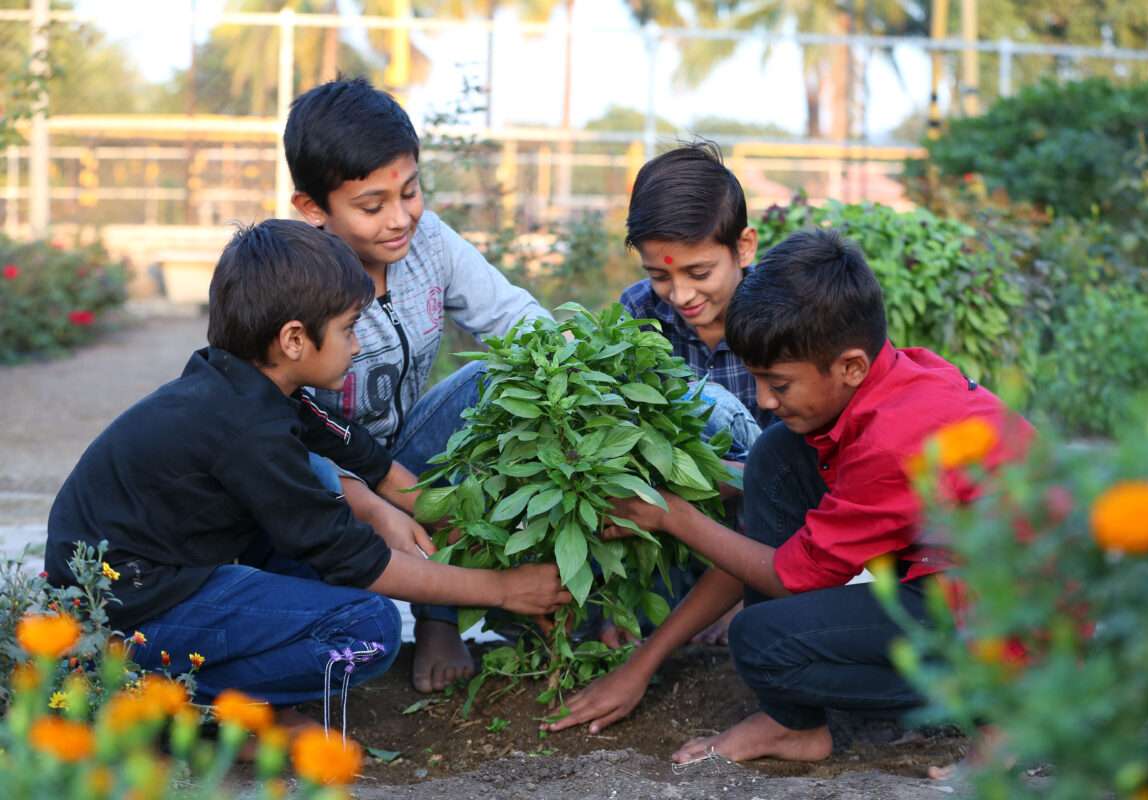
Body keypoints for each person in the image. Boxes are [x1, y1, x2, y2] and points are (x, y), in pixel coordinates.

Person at [546, 229, 1034, 763]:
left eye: (778, 383)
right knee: (776, 454)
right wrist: (644, 663)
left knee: (762, 644)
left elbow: (783, 574)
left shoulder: (890, 443)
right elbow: (761, 550)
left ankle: (1004, 707)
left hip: (1016, 619)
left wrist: (674, 516)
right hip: (960, 579)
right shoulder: (892, 377)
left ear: (849, 367)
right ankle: (792, 724)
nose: (763, 399)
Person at [44, 220, 570, 715]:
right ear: (294, 339)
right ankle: (176, 703)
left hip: (164, 573)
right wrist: (502, 588)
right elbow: (361, 564)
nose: (357, 344)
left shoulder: (248, 383)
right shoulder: (248, 431)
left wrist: (461, 533)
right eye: (348, 329)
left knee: (338, 558)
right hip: (127, 612)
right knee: (367, 629)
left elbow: (377, 466)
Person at [283, 77, 555, 693]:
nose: (400, 218)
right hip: (319, 472)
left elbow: (512, 318)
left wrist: (580, 366)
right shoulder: (290, 277)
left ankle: (441, 617)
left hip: (406, 450)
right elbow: (272, 427)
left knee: (495, 379)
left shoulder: (428, 242)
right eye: (372, 205)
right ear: (313, 209)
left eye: (410, 192)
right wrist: (370, 500)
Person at [616, 141, 768, 645]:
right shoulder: (638, 317)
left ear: (743, 247)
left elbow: (810, 475)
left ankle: (749, 596)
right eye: (660, 275)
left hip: (767, 527)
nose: (680, 295)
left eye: (698, 273)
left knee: (703, 406)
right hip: (675, 526)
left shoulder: (786, 317)